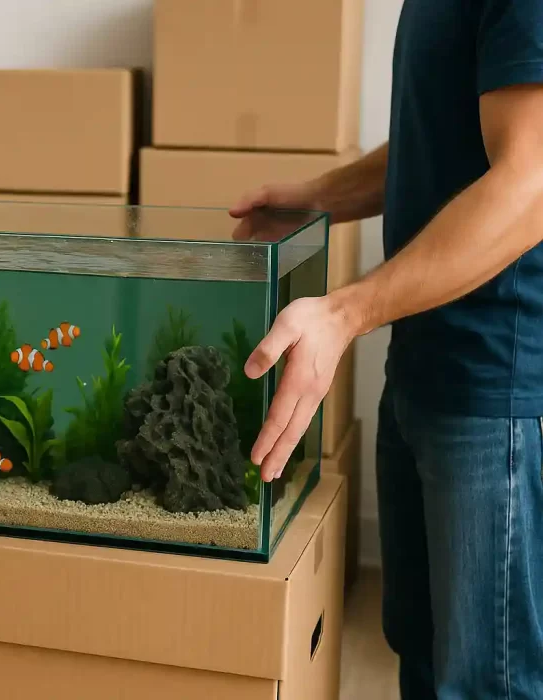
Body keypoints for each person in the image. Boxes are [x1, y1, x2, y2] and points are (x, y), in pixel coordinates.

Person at [229, 3, 543, 699]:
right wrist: (315, 198)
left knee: (489, 680)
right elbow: (437, 140)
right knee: (424, 658)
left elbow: (530, 185)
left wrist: (345, 312)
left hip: (497, 397)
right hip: (423, 368)